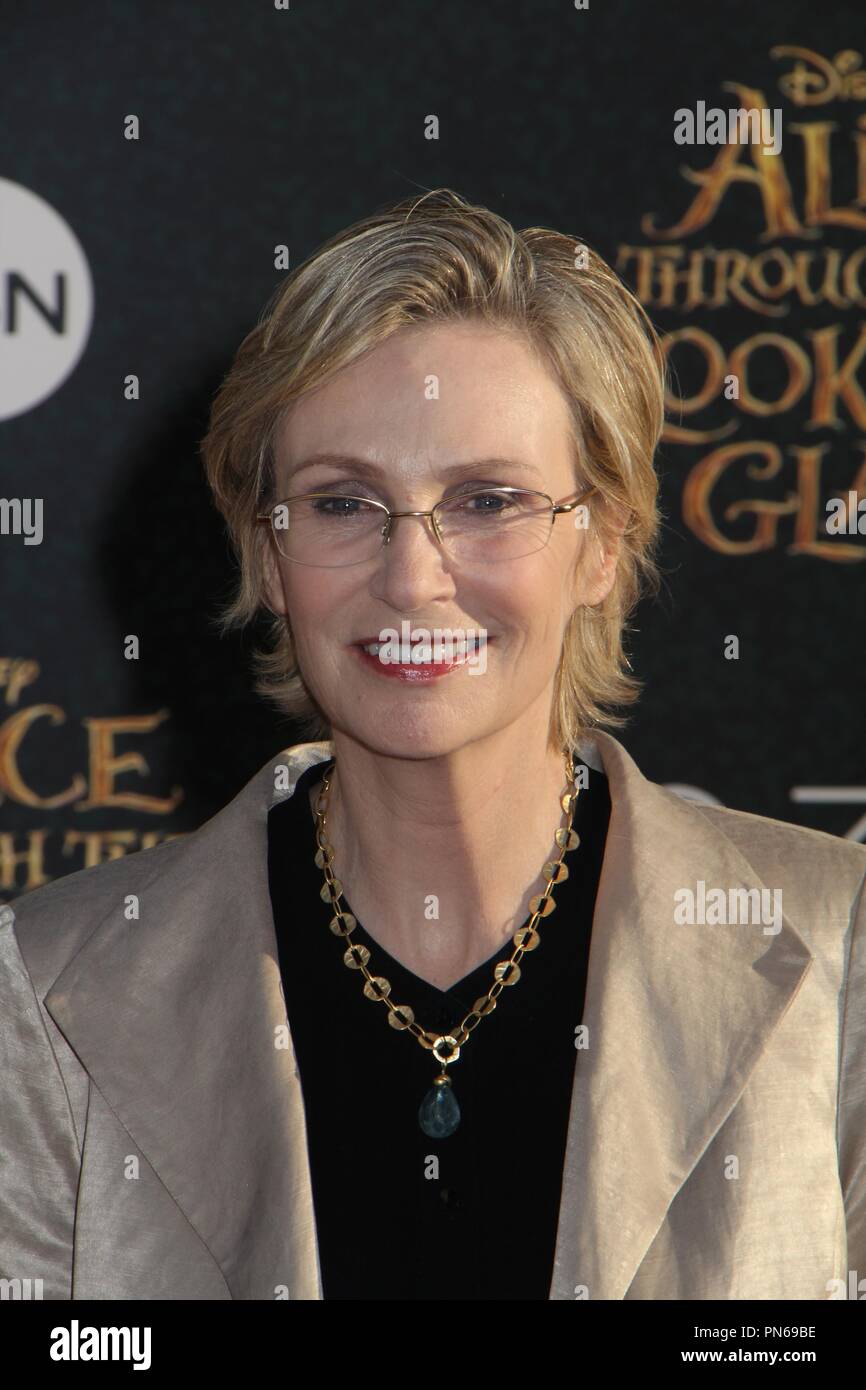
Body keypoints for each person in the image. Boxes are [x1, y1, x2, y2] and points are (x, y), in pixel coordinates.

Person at [1, 188, 864, 1301]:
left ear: (600, 542)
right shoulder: (52, 986)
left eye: (488, 499)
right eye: (342, 503)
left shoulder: (836, 953)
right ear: (265, 557)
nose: (412, 576)